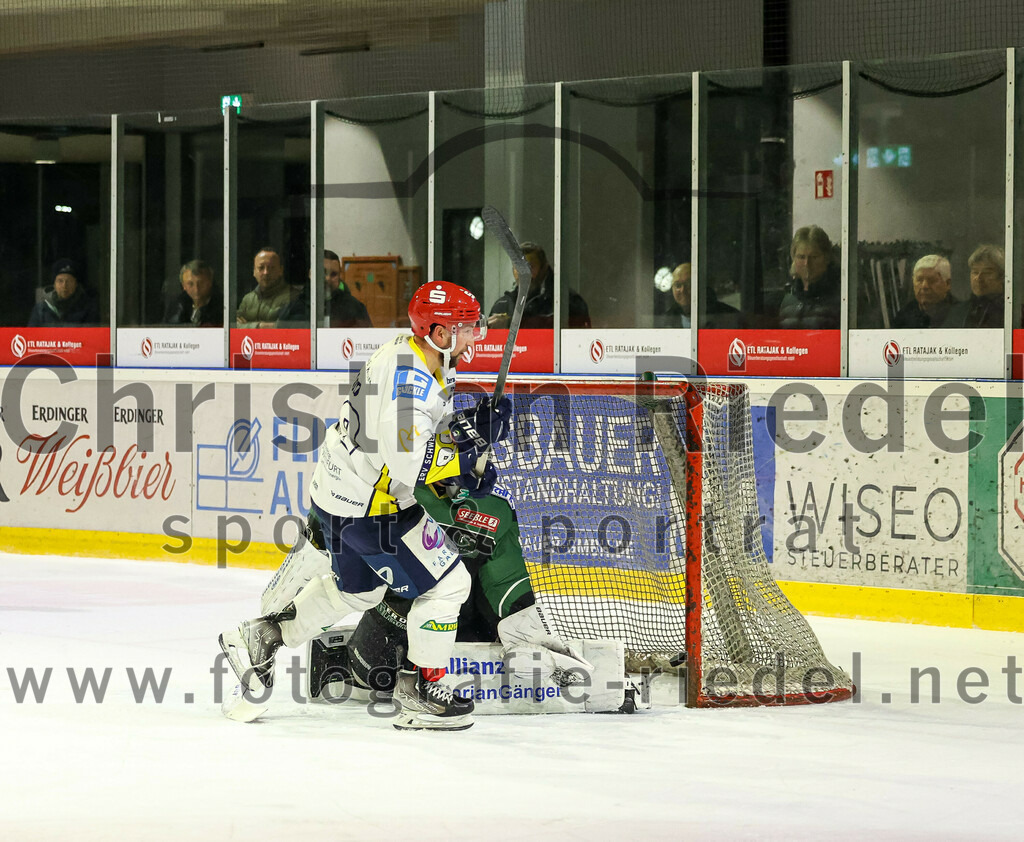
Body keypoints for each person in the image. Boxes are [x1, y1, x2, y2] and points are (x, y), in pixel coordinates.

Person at [219, 281, 511, 731]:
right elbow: (410, 463)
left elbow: (418, 437)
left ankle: (262, 636)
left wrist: (467, 435)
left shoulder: (411, 353)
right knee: (448, 585)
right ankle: (420, 691)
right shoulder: (410, 385)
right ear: (439, 332)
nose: (476, 336)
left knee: (361, 591)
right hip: (372, 508)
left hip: (339, 497)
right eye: (467, 328)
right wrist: (470, 451)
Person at [488, 242, 591, 329]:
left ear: (544, 268)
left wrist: (510, 324)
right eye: (517, 267)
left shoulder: (566, 302)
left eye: (530, 267)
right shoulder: (502, 305)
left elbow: (571, 337)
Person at [777, 226, 841, 330]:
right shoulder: (787, 299)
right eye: (801, 257)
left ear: (827, 257)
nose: (807, 263)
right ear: (793, 259)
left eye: (814, 257)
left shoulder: (842, 298)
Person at [655, 262, 740, 328]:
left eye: (689, 283)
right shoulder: (664, 321)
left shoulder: (729, 316)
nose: (683, 290)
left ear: (701, 285)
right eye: (677, 285)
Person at [943, 244, 1004, 329]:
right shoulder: (958, 312)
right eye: (975, 272)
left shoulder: (1011, 311)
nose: (978, 278)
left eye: (987, 273)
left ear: (1002, 276)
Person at [27, 258, 99, 327]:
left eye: (69, 281)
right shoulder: (41, 309)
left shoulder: (87, 308)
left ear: (76, 284)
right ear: (54, 284)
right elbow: (32, 336)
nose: (64, 285)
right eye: (60, 281)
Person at [892, 255, 956, 329]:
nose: (924, 286)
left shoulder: (960, 314)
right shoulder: (904, 316)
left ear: (948, 284)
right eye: (919, 280)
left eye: (932, 280)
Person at [236, 247, 293, 328]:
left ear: (281, 270)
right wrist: (260, 326)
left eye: (271, 268)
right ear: (254, 271)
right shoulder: (248, 299)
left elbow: (287, 328)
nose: (266, 272)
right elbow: (232, 326)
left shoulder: (292, 297)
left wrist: (246, 326)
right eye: (261, 268)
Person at [165, 259, 223, 326]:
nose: (196, 289)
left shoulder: (223, 307)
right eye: (190, 284)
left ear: (210, 282)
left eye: (201, 283)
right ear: (184, 286)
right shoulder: (177, 307)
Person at [325, 249, 372, 328]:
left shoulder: (355, 307)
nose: (328, 278)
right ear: (310, 274)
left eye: (333, 274)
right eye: (323, 272)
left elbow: (368, 338)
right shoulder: (300, 306)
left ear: (340, 276)